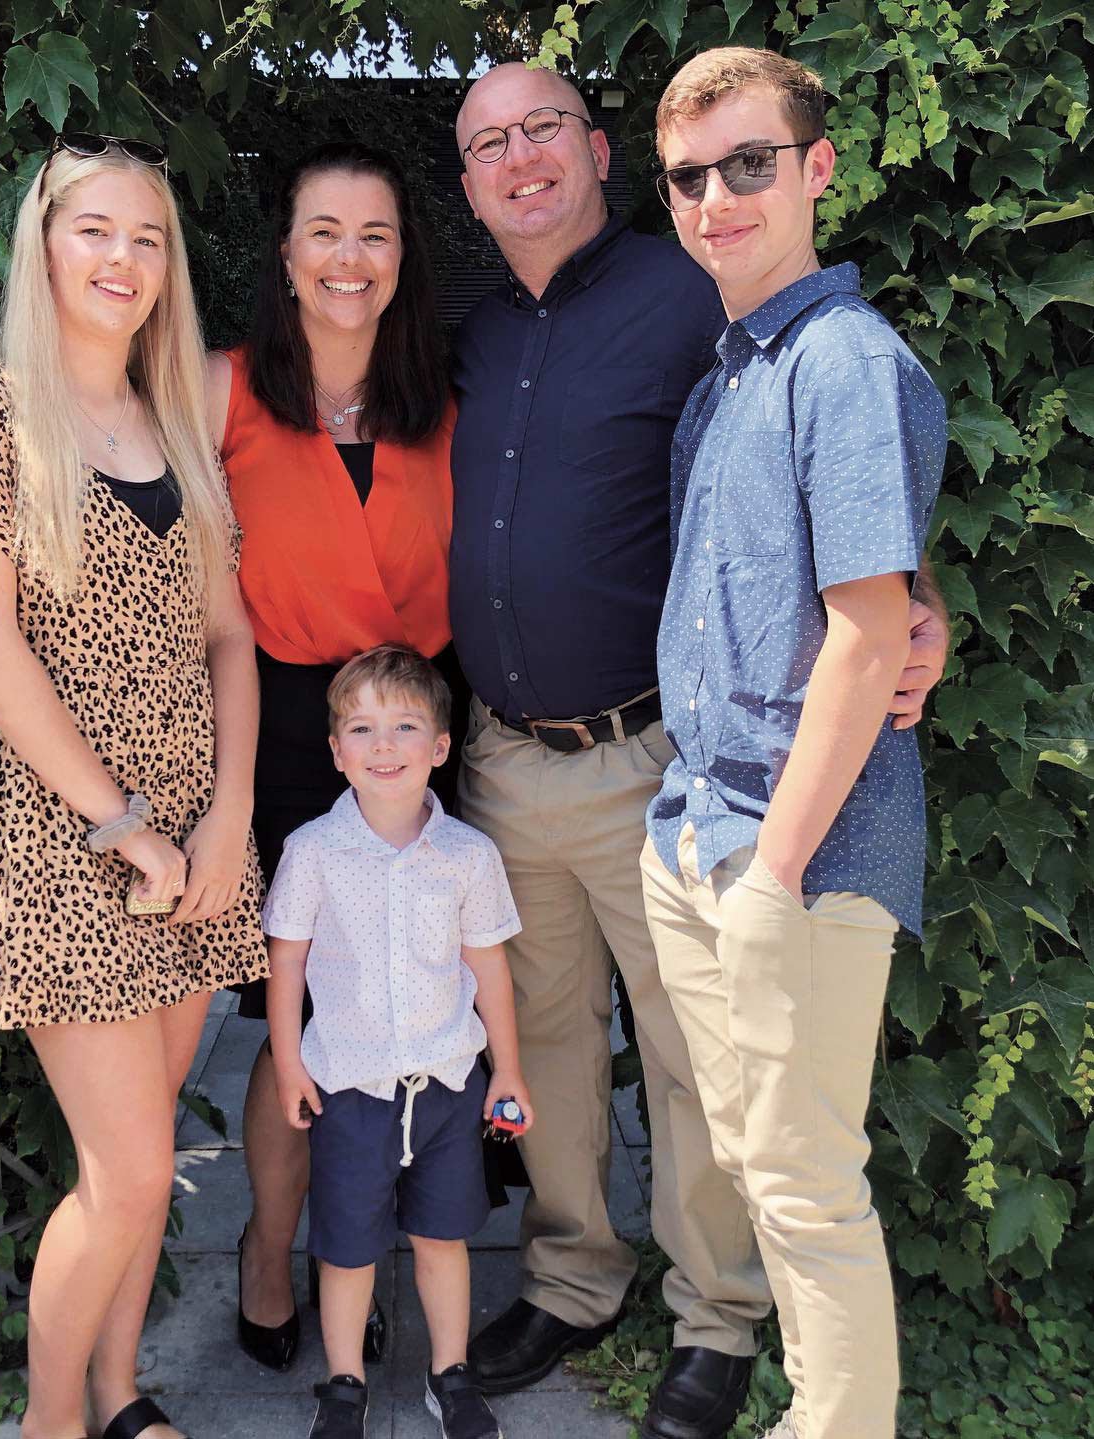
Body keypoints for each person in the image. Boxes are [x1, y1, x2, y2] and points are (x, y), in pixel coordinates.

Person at [448, 62, 950, 1437]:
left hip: (677, 773)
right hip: (517, 761)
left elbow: (859, 518)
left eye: (544, 126)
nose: (521, 157)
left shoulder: (706, 298)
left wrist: (914, 611)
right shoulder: (482, 333)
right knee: (550, 1045)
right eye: (489, 142)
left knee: (716, 1082)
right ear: (470, 180)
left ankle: (719, 1320)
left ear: (600, 152)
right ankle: (571, 1273)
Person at [0, 135, 267, 1439]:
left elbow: (231, 635)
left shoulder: (177, 418)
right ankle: (49, 1425)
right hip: (68, 836)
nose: (121, 259)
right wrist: (121, 819)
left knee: (143, 1154)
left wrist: (225, 815)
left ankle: (121, 1397)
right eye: (94, 230)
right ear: (44, 246)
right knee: (125, 1176)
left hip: (193, 834)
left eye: (148, 238)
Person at [641, 49, 946, 1439]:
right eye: (692, 176)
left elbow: (868, 634)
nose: (718, 198)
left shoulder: (845, 362)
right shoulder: (730, 377)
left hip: (795, 854)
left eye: (749, 164)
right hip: (698, 829)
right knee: (760, 1165)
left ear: (819, 169)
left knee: (809, 1184)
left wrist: (771, 876)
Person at [204, 143, 462, 1370]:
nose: (348, 258)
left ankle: (410, 1246)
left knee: (422, 994)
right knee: (297, 1011)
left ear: (403, 257)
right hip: (290, 728)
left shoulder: (446, 394)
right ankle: (271, 1244)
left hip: (419, 727)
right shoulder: (221, 390)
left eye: (375, 233)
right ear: (287, 254)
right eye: (324, 231)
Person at [263, 644, 529, 1439]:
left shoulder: (468, 856)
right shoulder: (311, 851)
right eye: (364, 728)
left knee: (445, 1238)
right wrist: (287, 1065)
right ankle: (344, 1383)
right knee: (347, 1248)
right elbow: (286, 964)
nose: (385, 745)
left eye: (406, 725)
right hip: (350, 1086)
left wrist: (506, 1069)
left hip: (447, 1083)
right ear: (337, 751)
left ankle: (450, 1373)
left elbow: (489, 966)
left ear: (440, 748)